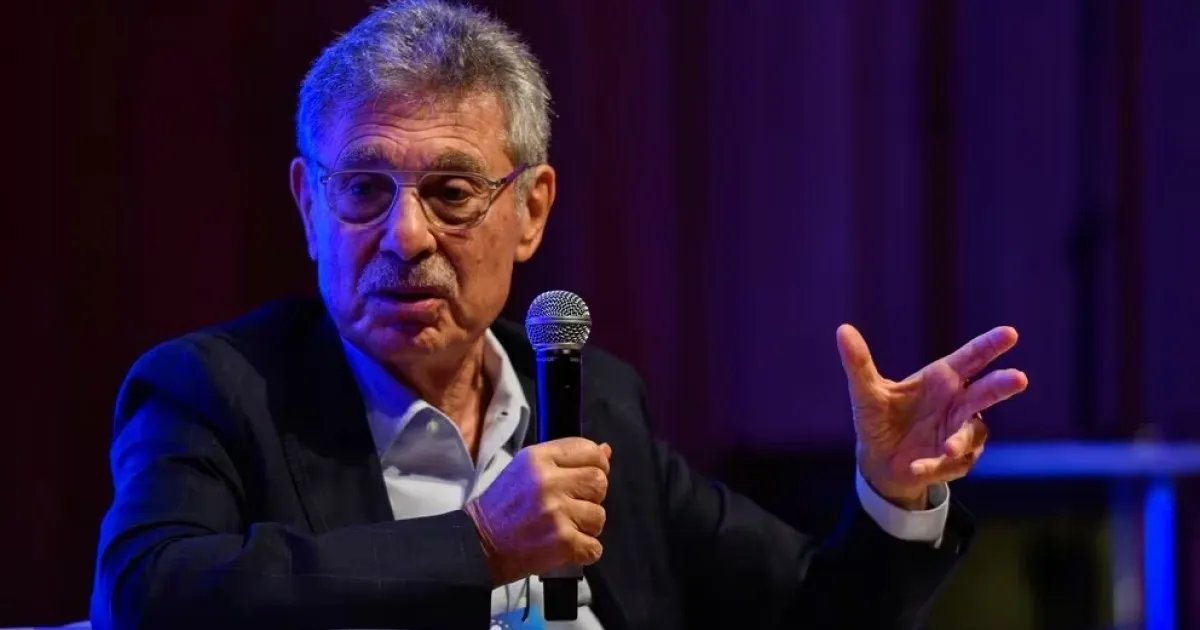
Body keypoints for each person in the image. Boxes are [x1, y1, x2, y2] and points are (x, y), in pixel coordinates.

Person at [89, 1, 1029, 628]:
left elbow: (815, 611)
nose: (405, 236)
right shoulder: (219, 392)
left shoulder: (593, 402)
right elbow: (148, 597)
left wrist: (895, 495)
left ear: (531, 209)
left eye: (452, 192)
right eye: (364, 190)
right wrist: (480, 545)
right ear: (308, 206)